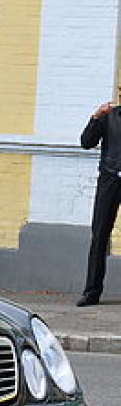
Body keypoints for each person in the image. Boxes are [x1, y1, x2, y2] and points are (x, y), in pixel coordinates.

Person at [78, 85, 121, 306]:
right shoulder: (108, 117)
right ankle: (92, 292)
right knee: (99, 235)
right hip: (110, 180)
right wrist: (95, 117)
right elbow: (86, 142)